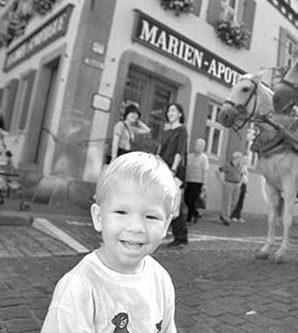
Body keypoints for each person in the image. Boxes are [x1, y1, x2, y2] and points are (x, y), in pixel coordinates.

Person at [41, 152, 178, 333]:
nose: (136, 227)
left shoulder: (161, 280)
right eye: (121, 212)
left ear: (166, 225)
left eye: (151, 216)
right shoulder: (79, 288)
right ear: (98, 217)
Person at [158, 102, 188, 248]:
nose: (170, 113)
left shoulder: (182, 130)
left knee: (174, 204)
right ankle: (173, 233)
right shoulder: (167, 131)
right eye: (169, 110)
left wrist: (174, 168)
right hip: (163, 167)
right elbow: (161, 150)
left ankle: (181, 236)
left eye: (174, 110)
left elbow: (180, 150)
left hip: (174, 170)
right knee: (165, 201)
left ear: (180, 114)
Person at [184, 138, 209, 225]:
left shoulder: (204, 158)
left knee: (192, 199)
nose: (198, 147)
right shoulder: (190, 156)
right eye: (197, 145)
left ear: (203, 148)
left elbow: (204, 171)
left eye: (200, 146)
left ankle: (189, 218)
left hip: (198, 182)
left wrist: (204, 184)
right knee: (186, 199)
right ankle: (195, 213)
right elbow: (187, 168)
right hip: (188, 180)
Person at [216, 151, 244, 226]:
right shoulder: (227, 165)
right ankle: (226, 218)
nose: (241, 160)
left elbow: (241, 175)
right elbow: (217, 171)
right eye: (240, 158)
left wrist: (240, 183)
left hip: (237, 185)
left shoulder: (240, 167)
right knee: (226, 202)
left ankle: (224, 215)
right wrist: (221, 181)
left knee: (234, 203)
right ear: (236, 158)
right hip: (228, 183)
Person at [230, 154, 248, 223]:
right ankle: (233, 215)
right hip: (239, 184)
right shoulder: (240, 166)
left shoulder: (245, 167)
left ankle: (238, 215)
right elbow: (239, 175)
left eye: (247, 160)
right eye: (245, 159)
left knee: (241, 201)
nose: (247, 161)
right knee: (236, 200)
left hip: (244, 184)